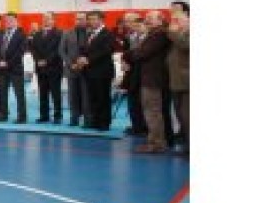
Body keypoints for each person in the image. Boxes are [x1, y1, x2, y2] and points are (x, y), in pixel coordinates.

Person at [124, 10, 172, 153]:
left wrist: (128, 54)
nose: (147, 20)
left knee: (152, 112)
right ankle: (158, 141)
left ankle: (156, 143)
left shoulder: (159, 34)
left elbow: (141, 53)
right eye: (146, 18)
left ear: (160, 20)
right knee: (154, 112)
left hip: (153, 79)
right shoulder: (155, 33)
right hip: (152, 78)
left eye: (151, 18)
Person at [77, 11, 116, 131]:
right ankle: (96, 121)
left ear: (101, 20)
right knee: (93, 98)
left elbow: (106, 51)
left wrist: (88, 59)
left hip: (102, 72)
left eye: (94, 19)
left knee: (103, 98)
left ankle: (104, 123)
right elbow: (85, 49)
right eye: (90, 19)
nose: (91, 21)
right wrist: (81, 57)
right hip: (90, 71)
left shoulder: (108, 33)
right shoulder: (90, 34)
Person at [0, 13, 28, 123]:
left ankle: (22, 117)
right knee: (3, 93)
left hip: (15, 68)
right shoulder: (1, 34)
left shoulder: (21, 34)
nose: (8, 22)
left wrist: (7, 63)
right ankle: (3, 114)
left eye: (11, 20)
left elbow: (20, 52)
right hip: (2, 69)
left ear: (16, 21)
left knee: (19, 94)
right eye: (6, 20)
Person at [30, 13, 64, 123]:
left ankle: (57, 116)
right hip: (40, 68)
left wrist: (46, 61)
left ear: (53, 20)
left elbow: (58, 50)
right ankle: (44, 115)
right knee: (42, 93)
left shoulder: (59, 33)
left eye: (48, 18)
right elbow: (33, 49)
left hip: (54, 67)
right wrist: (38, 60)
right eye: (44, 18)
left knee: (55, 93)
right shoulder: (37, 34)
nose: (45, 20)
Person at [166, 9, 189, 156]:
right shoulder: (177, 35)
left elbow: (185, 46)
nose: (173, 24)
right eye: (173, 21)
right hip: (175, 81)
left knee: (187, 116)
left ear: (187, 20)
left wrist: (174, 33)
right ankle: (187, 145)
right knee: (181, 115)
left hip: (187, 82)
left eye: (177, 20)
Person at [60, 15, 89, 127]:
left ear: (86, 20)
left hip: (87, 69)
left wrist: (83, 62)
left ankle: (87, 119)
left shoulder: (90, 32)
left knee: (86, 96)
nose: (79, 21)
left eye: (82, 19)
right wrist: (70, 64)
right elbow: (61, 50)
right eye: (77, 19)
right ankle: (74, 118)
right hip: (71, 69)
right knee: (72, 96)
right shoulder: (67, 33)